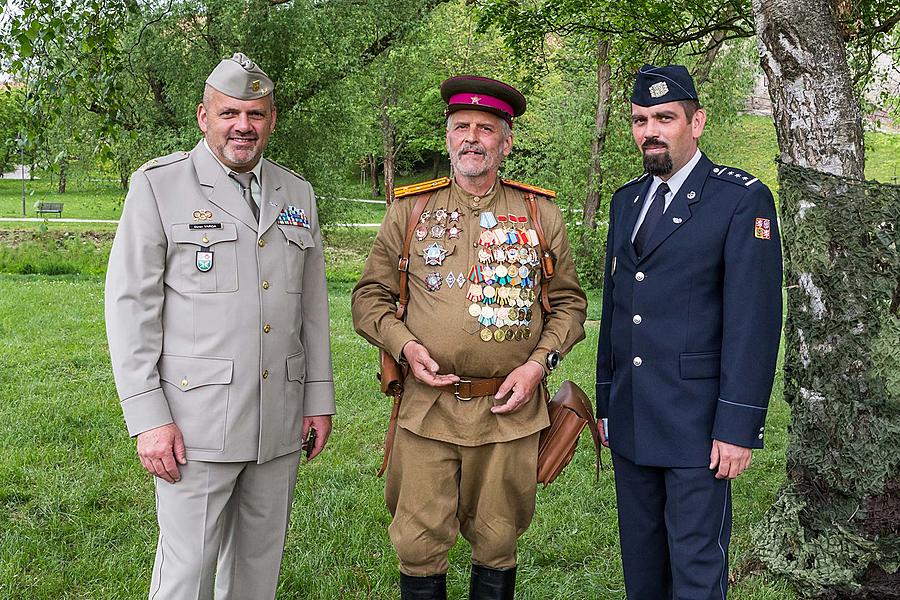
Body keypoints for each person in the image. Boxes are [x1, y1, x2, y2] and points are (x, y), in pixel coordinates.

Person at [104, 53, 335, 600]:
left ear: (271, 120)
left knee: (258, 571)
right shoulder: (160, 187)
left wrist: (318, 399)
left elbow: (312, 308)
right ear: (204, 116)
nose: (243, 126)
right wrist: (147, 418)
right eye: (230, 112)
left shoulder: (295, 193)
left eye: (255, 114)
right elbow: (129, 307)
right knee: (186, 575)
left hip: (278, 420)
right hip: (195, 424)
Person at [352, 75, 587, 599]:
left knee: (499, 541)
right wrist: (405, 347)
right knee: (416, 543)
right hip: (426, 408)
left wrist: (537, 365)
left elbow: (570, 304)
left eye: (486, 129)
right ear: (448, 137)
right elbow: (369, 298)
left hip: (509, 410)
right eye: (462, 127)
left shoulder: (537, 212)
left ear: (506, 142)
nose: (472, 138)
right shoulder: (410, 211)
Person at [595, 64, 783, 599]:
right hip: (631, 417)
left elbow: (755, 321)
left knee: (696, 568)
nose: (649, 130)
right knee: (643, 566)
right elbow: (616, 308)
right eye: (639, 120)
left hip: (698, 426)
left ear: (696, 122)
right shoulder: (627, 200)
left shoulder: (739, 200)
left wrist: (739, 425)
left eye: (664, 118)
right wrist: (606, 401)